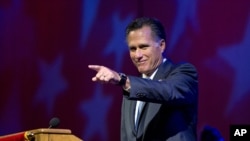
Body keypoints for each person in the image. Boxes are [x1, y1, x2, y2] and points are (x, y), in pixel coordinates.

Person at [88, 17, 198, 141]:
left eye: (143, 47)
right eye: (133, 49)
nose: (137, 55)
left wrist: (123, 80)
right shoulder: (131, 88)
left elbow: (168, 91)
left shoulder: (184, 72)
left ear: (161, 46)